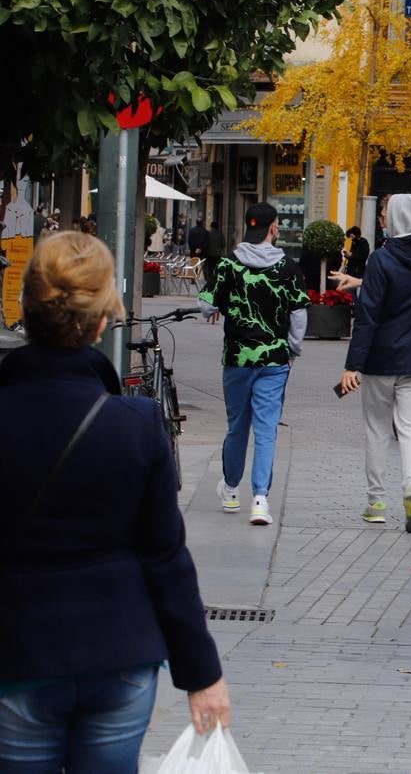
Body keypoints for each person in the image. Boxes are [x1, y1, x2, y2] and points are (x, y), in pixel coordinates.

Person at [0, 232, 230, 769]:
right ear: (102, 321)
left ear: (26, 307)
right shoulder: (135, 423)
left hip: (17, 651)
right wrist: (202, 674)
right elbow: (165, 557)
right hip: (120, 654)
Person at [199, 203, 310, 526]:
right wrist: (293, 348)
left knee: (237, 426)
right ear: (273, 228)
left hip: (236, 358)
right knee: (266, 429)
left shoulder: (229, 265)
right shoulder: (288, 267)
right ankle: (260, 499)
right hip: (274, 359)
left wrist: (219, 309)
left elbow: (205, 305)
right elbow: (299, 314)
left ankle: (231, 489)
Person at [341, 195, 411, 533]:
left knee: (377, 430)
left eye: (386, 214)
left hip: (380, 359)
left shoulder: (380, 259)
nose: (382, 218)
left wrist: (352, 364)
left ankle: (375, 503)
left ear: (398, 217)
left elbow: (368, 316)